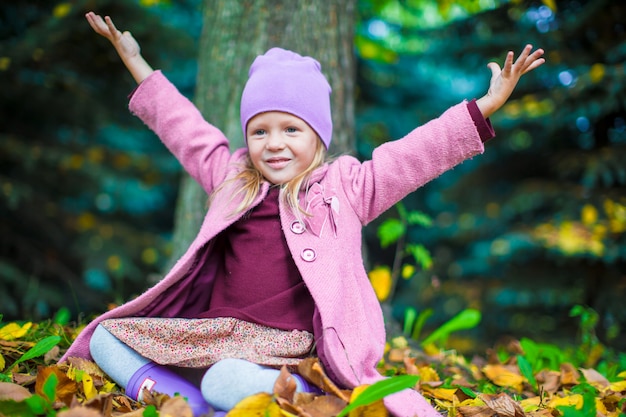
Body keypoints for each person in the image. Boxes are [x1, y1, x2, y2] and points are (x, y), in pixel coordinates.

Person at [62, 11, 545, 417]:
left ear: (318, 137)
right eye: (260, 131)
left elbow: (412, 156)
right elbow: (184, 128)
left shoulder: (346, 186)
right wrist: (135, 60)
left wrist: (485, 106)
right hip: (216, 335)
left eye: (291, 129)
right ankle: (188, 404)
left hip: (288, 350)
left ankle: (305, 396)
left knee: (227, 379)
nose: (274, 144)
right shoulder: (230, 178)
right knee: (106, 337)